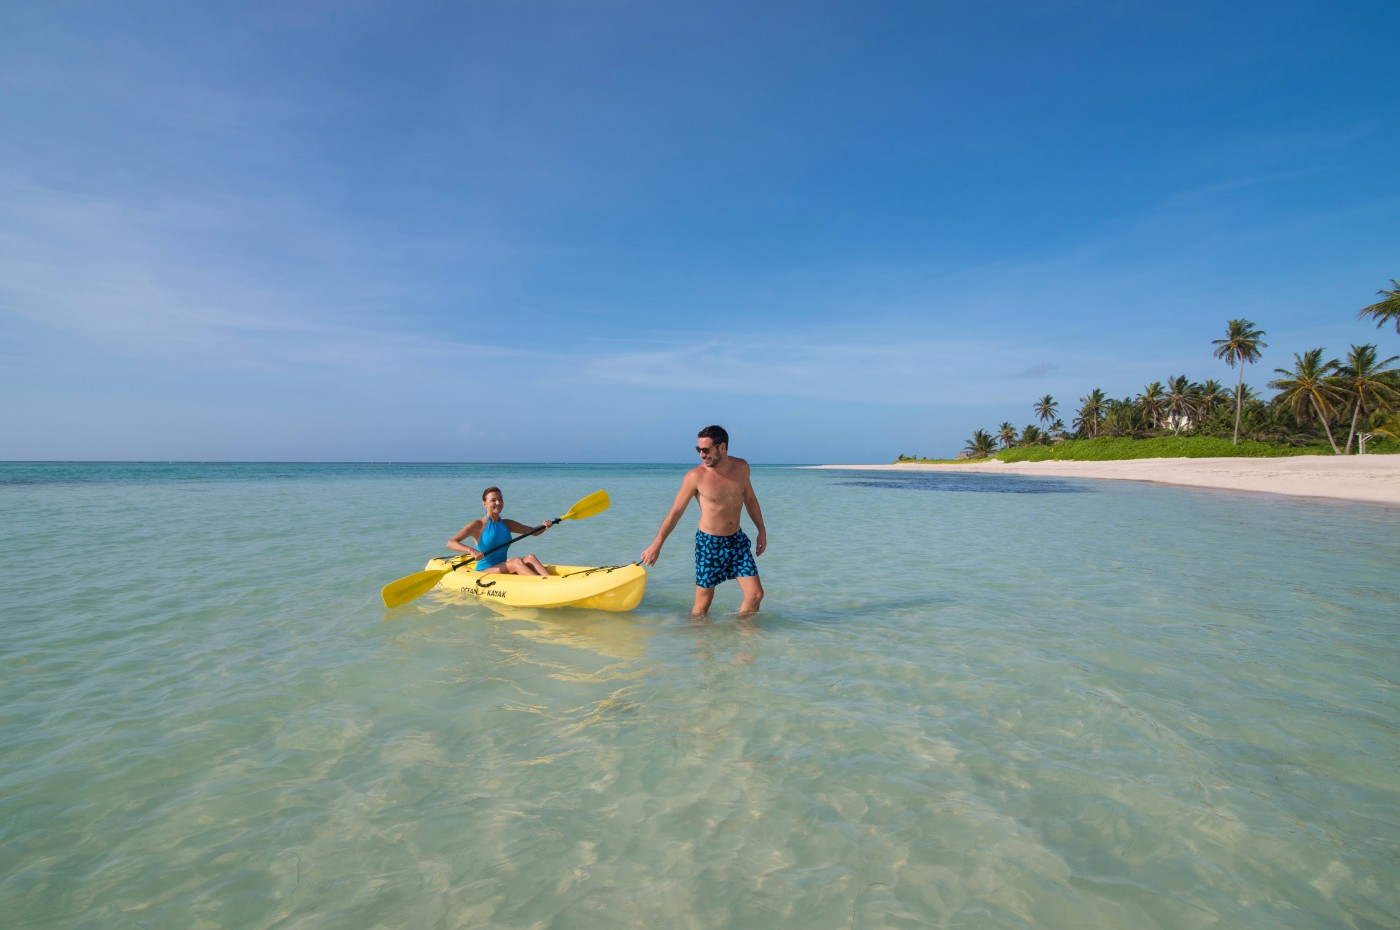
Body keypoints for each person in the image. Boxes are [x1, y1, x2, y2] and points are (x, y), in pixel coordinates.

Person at [641, 425, 766, 617]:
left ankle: (744, 640)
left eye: (706, 450)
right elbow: (675, 512)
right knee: (703, 603)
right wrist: (656, 546)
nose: (701, 455)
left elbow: (750, 499)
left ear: (722, 447)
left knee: (755, 595)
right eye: (698, 449)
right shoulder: (695, 477)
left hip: (737, 540)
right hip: (709, 543)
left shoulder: (742, 467)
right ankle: (700, 644)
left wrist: (761, 531)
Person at [447, 486, 551, 576]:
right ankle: (545, 585)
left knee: (530, 558)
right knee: (516, 562)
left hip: (503, 567)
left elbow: (534, 532)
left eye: (500, 499)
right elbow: (451, 543)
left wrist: (544, 526)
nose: (498, 503)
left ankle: (551, 581)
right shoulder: (478, 525)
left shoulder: (507, 524)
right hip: (485, 571)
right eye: (493, 500)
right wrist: (471, 550)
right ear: (484, 503)